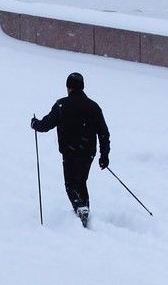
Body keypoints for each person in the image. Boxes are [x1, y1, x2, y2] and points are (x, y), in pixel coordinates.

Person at [31, 72, 110, 227]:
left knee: (71, 184)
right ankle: (84, 210)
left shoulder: (62, 105)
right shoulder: (93, 107)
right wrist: (104, 156)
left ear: (69, 87)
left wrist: (35, 123)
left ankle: (81, 209)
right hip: (88, 153)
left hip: (70, 152)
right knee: (81, 182)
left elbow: (46, 125)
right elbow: (103, 133)